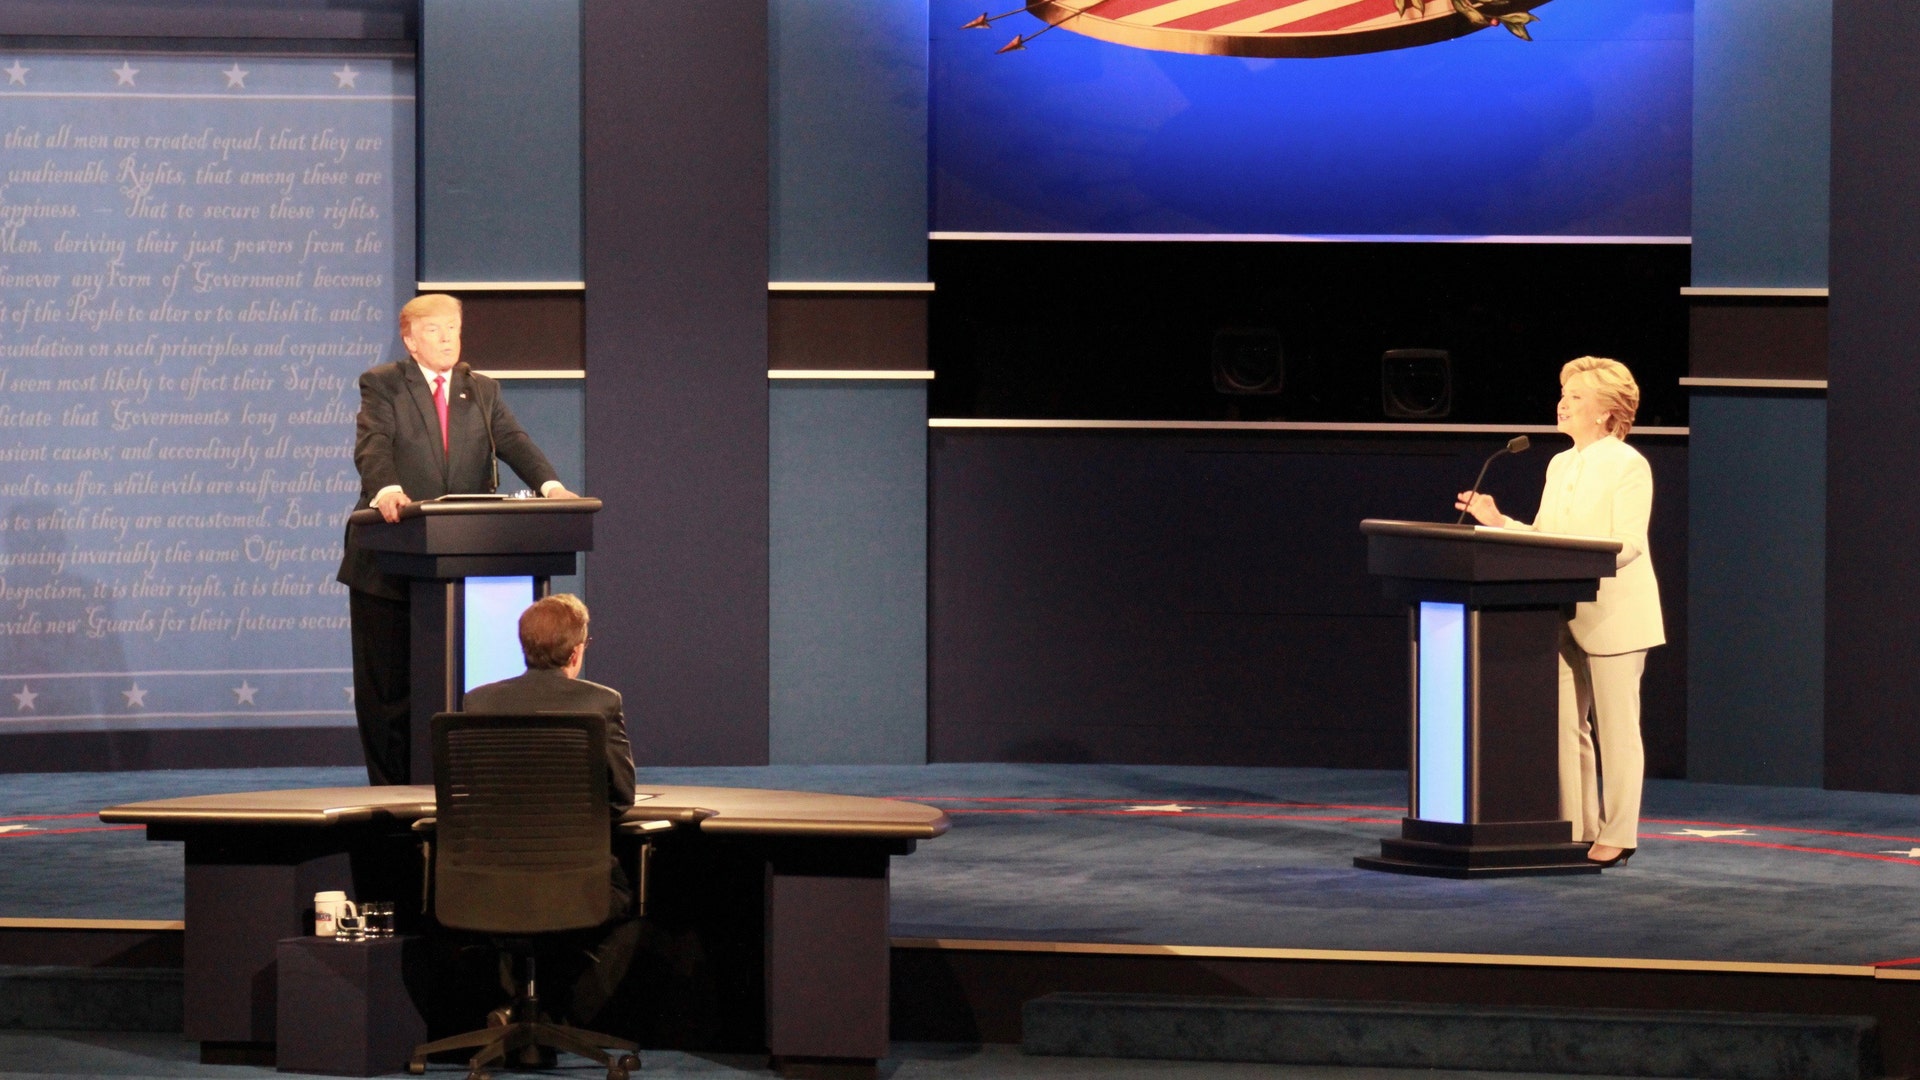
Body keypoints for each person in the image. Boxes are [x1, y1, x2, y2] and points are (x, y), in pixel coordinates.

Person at [336, 293, 578, 786]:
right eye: (434, 330)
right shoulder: (383, 385)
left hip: (463, 564)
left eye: (453, 329)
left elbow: (515, 443)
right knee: (388, 692)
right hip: (389, 560)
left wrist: (551, 486)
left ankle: (460, 784)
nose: (447, 339)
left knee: (455, 687)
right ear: (410, 339)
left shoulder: (481, 389)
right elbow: (373, 444)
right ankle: (392, 795)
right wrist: (387, 489)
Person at [1454, 356, 1664, 868]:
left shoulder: (1628, 463)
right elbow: (1548, 538)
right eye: (1563, 393)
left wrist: (1576, 561)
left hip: (1615, 614)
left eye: (1575, 396)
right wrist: (1498, 521)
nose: (1563, 403)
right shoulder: (1559, 464)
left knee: (1617, 729)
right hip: (1563, 610)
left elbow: (1629, 543)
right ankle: (1576, 826)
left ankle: (1620, 833)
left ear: (1604, 412)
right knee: (1567, 725)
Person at [460, 593, 641, 1031]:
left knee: (521, 910)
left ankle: (518, 1008)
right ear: (577, 652)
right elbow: (621, 797)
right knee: (626, 902)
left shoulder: (478, 703)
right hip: (578, 886)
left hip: (488, 884)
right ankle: (559, 1013)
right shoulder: (601, 702)